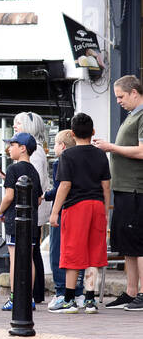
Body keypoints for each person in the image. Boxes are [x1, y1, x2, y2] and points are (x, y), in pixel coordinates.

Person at [48, 113, 110, 314]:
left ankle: (69, 299)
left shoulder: (68, 155)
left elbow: (64, 185)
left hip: (76, 207)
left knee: (72, 252)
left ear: (72, 134)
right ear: (93, 133)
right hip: (97, 205)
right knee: (94, 252)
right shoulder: (101, 155)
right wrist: (106, 210)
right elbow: (106, 186)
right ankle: (90, 300)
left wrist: (55, 212)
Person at [93, 75, 143, 309]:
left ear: (135, 92)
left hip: (136, 188)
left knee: (139, 242)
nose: (119, 101)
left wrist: (110, 147)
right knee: (128, 244)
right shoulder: (132, 116)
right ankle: (131, 291)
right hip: (124, 188)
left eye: (121, 97)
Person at [0, 132, 42, 311]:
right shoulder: (34, 171)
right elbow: (38, 199)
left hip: (14, 220)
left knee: (15, 258)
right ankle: (29, 297)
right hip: (32, 220)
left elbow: (9, 196)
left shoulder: (12, 169)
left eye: (13, 145)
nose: (9, 148)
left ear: (22, 148)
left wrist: (0, 211)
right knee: (28, 258)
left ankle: (16, 298)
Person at [45, 128, 84, 309]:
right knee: (77, 252)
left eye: (54, 145)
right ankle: (78, 291)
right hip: (81, 209)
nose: (54, 148)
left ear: (61, 146)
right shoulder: (82, 160)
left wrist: (46, 196)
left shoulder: (60, 162)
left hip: (63, 211)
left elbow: (60, 187)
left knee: (58, 252)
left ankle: (61, 292)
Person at [13, 112, 50, 301]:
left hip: (34, 205)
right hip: (34, 204)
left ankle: (35, 292)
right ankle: (36, 292)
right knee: (33, 249)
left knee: (32, 249)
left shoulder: (33, 151)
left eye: (18, 123)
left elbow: (36, 181)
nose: (15, 126)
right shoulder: (34, 149)